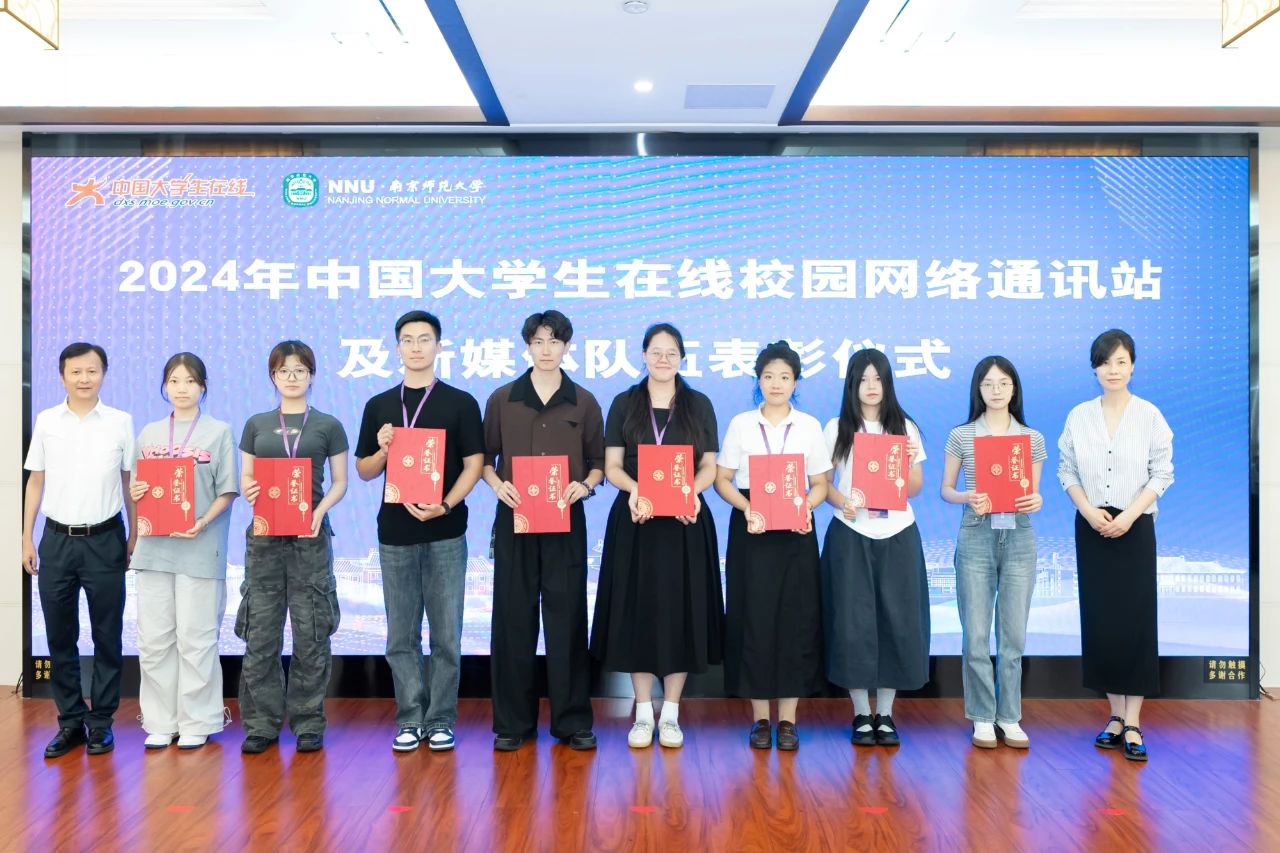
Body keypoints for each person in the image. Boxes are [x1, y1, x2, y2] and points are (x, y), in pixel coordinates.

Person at [355, 311, 485, 753]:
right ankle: (410, 718)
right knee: (401, 635)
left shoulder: (461, 402)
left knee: (446, 634)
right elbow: (365, 470)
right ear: (397, 349)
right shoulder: (379, 405)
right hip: (395, 534)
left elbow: (474, 465)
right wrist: (383, 449)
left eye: (424, 339)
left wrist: (445, 504)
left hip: (446, 531)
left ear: (438, 346)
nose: (416, 347)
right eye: (408, 340)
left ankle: (441, 719)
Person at [591, 323, 723, 750]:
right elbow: (613, 466)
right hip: (637, 520)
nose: (663, 359)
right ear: (644, 355)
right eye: (656, 351)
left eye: (671, 353)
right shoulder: (625, 403)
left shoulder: (698, 404)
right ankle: (643, 712)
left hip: (685, 522)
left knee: (682, 614)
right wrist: (637, 490)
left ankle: (671, 713)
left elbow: (709, 466)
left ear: (682, 358)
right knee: (638, 613)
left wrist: (691, 492)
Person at [482, 310, 605, 752]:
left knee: (567, 617)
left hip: (565, 520)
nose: (546, 349)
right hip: (514, 518)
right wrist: (499, 486)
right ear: (527, 346)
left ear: (567, 347)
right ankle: (512, 722)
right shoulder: (502, 399)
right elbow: (485, 460)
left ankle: (572, 721)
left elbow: (598, 464)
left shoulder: (584, 401)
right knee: (512, 618)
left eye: (554, 341)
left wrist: (584, 486)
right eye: (538, 341)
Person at [1058, 329, 1172, 762]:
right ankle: (1115, 716)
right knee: (1102, 620)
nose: (1113, 369)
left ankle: (1135, 721)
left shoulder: (1150, 415)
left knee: (1135, 621)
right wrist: (1089, 511)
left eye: (1121, 361)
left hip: (1134, 526)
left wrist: (1129, 515)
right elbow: (1067, 470)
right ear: (1095, 368)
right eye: (1105, 362)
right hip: (1092, 525)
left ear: (1133, 366)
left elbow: (1162, 473)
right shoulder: (1079, 416)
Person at [714, 341, 829, 751]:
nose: (776, 384)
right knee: (754, 618)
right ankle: (760, 719)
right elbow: (722, 479)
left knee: (795, 619)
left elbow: (821, 484)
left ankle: (788, 721)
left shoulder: (809, 426)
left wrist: (805, 507)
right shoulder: (741, 424)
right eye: (768, 376)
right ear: (758, 381)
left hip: (796, 530)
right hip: (753, 528)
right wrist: (748, 507)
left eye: (784, 377)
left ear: (795, 382)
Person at [22, 342, 136, 758]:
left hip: (106, 539)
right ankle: (70, 721)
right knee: (60, 635)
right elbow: (36, 481)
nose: (84, 378)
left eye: (92, 371)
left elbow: (129, 482)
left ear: (103, 373)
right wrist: (26, 536)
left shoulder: (121, 422)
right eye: (76, 372)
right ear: (62, 376)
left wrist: (135, 534)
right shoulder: (47, 421)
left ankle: (101, 723)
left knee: (107, 634)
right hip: (56, 540)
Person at [236, 340, 349, 754]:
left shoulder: (328, 425)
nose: (292, 377)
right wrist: (250, 488)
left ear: (312, 375)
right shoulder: (256, 424)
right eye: (284, 370)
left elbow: (340, 482)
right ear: (273, 376)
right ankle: (261, 724)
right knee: (261, 634)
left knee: (311, 633)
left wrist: (319, 510)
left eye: (300, 370)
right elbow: (246, 478)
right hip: (265, 539)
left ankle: (308, 722)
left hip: (310, 538)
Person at [129, 353, 238, 750]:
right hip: (154, 550)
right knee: (154, 640)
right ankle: (161, 720)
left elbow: (228, 489)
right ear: (165, 386)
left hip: (199, 548)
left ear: (203, 387)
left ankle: (198, 720)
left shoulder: (219, 432)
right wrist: (136, 490)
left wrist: (203, 522)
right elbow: (138, 488)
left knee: (197, 639)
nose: (182, 388)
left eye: (190, 381)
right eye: (174, 381)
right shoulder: (150, 433)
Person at [821, 348, 928, 748]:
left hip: (898, 533)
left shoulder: (904, 427)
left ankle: (885, 713)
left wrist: (906, 466)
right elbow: (823, 483)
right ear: (852, 383)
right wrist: (841, 502)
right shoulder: (836, 428)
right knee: (852, 623)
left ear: (888, 383)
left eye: (878, 379)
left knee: (896, 620)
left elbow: (915, 487)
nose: (871, 386)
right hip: (851, 533)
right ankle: (860, 713)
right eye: (863, 379)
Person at [940, 356, 1046, 750]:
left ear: (1014, 389)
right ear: (978, 390)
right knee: (976, 634)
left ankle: (1010, 716)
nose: (996, 390)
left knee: (1013, 635)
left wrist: (1036, 500)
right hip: (976, 535)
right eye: (988, 384)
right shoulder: (962, 435)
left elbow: (1032, 492)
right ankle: (983, 716)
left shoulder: (1031, 439)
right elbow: (946, 489)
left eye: (1003, 383)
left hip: (1019, 536)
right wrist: (967, 497)